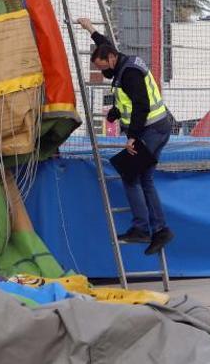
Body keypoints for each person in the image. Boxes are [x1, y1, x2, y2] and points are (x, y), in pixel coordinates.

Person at [77, 17, 175, 255]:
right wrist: (90, 29)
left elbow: (141, 105)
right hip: (156, 126)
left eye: (104, 67)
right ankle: (159, 229)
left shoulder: (129, 73)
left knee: (130, 174)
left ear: (111, 59)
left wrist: (132, 137)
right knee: (145, 178)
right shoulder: (120, 62)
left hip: (152, 128)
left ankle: (143, 228)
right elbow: (105, 44)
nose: (105, 72)